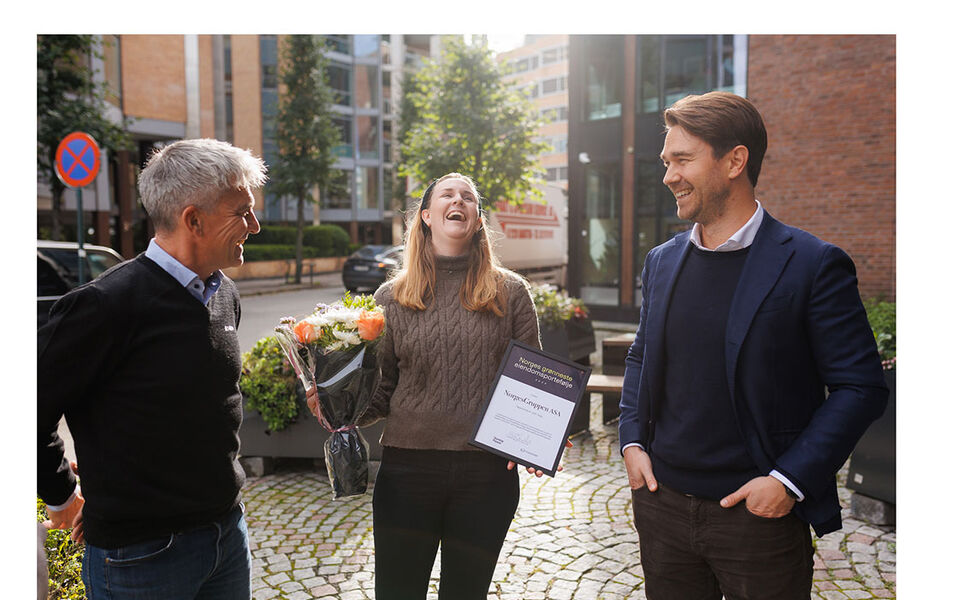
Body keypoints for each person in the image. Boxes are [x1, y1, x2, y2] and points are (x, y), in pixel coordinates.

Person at [617, 92, 889, 599]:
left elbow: (861, 386)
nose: (668, 175)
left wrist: (787, 481)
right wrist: (631, 441)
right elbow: (642, 355)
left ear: (734, 160)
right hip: (662, 508)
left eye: (682, 160)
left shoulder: (813, 263)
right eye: (666, 162)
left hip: (756, 519)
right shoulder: (660, 262)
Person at [37, 138, 266, 599]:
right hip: (141, 558)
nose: (254, 226)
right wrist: (62, 496)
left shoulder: (224, 296)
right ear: (193, 219)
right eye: (241, 212)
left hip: (226, 537)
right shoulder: (105, 305)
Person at [356, 172, 540, 599]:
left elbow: (531, 383)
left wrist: (541, 434)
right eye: (447, 194)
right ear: (425, 216)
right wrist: (336, 409)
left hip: (487, 474)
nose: (459, 201)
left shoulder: (511, 292)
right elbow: (381, 392)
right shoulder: (390, 297)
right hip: (407, 470)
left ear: (477, 219)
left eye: (469, 197)